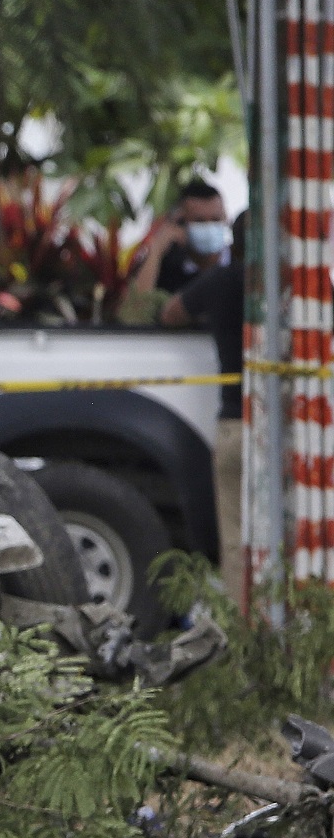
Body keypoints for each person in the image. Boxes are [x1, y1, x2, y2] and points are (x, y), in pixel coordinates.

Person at [161, 211, 246, 612]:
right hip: (299, 433)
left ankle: (244, 636)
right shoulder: (304, 286)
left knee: (235, 539)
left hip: (236, 426)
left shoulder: (224, 280)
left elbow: (170, 313)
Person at [120, 178, 232, 323]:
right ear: (180, 223)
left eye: (216, 220)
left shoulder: (240, 263)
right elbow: (134, 314)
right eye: (199, 221)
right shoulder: (165, 268)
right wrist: (156, 251)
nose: (209, 227)